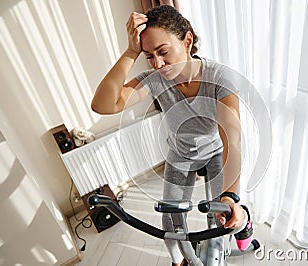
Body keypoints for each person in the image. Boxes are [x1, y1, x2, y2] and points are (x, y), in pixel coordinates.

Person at [91, 5, 252, 266]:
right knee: (170, 223)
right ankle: (180, 263)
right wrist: (132, 52)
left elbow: (231, 140)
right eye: (149, 56)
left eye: (163, 52)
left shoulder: (219, 78)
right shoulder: (156, 79)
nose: (158, 64)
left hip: (215, 152)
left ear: (187, 41)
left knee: (219, 218)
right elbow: (104, 104)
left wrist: (230, 197)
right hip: (180, 153)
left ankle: (244, 223)